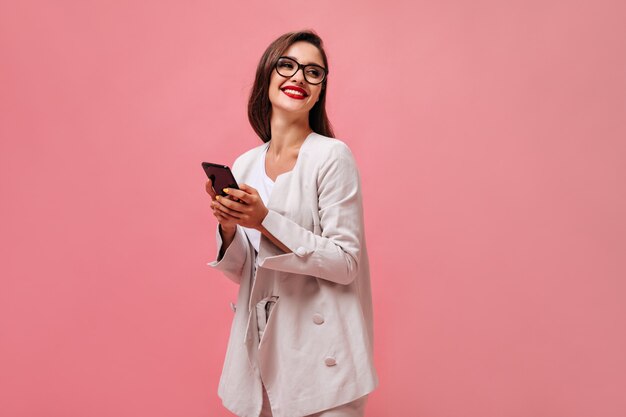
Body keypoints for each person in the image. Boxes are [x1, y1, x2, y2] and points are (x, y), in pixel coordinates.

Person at [205, 29, 378, 417]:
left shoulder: (332, 157)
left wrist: (264, 219)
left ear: (320, 90)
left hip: (322, 363)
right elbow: (247, 273)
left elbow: (345, 263)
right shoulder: (245, 164)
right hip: (261, 357)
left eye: (313, 72)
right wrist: (230, 227)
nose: (298, 77)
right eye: (288, 65)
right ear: (268, 74)